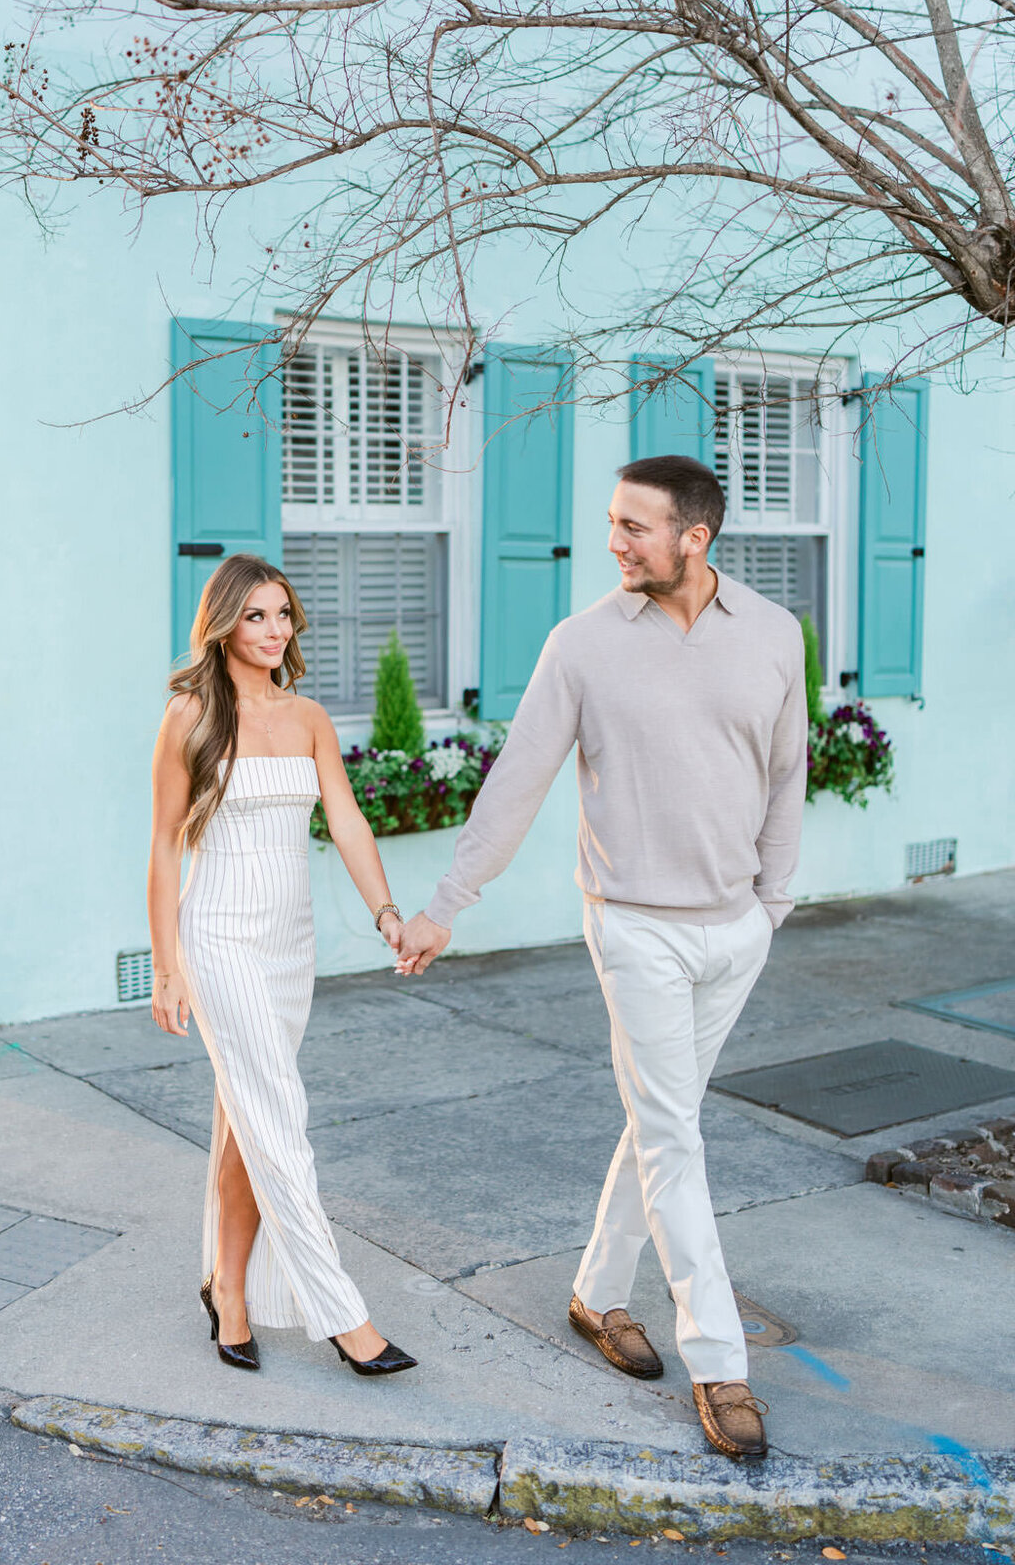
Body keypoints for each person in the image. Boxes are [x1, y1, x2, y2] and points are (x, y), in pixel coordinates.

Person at [396, 454, 806, 1459]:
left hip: (736, 928)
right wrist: (449, 902)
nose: (614, 543)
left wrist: (773, 903)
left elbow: (788, 769)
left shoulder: (775, 635)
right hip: (634, 925)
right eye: (613, 524)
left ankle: (594, 1294)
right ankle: (719, 1363)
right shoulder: (581, 645)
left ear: (693, 539)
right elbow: (518, 782)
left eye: (634, 528)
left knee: (660, 1121)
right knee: (673, 1134)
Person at [148, 553, 416, 1377]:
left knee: (248, 1122)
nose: (274, 631)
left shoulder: (307, 717)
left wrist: (387, 914)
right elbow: (162, 846)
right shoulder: (190, 716)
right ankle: (343, 1316)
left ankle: (228, 1288)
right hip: (219, 934)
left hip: (289, 942)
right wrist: (168, 965)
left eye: (284, 615)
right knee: (281, 1121)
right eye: (258, 616)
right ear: (224, 622)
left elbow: (348, 822)